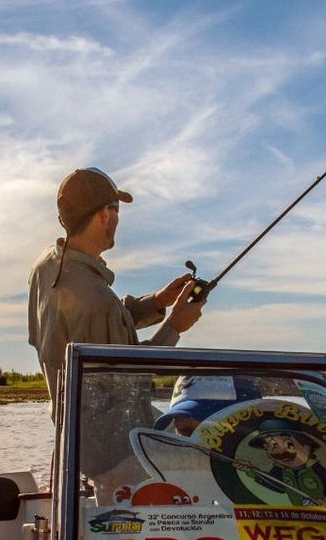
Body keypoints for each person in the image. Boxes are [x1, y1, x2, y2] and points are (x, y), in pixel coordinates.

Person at [27, 167, 204, 420]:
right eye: (116, 209)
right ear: (104, 214)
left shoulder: (45, 267)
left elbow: (96, 323)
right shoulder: (98, 301)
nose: (117, 218)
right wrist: (174, 326)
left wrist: (157, 301)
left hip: (70, 438)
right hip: (109, 447)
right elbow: (131, 381)